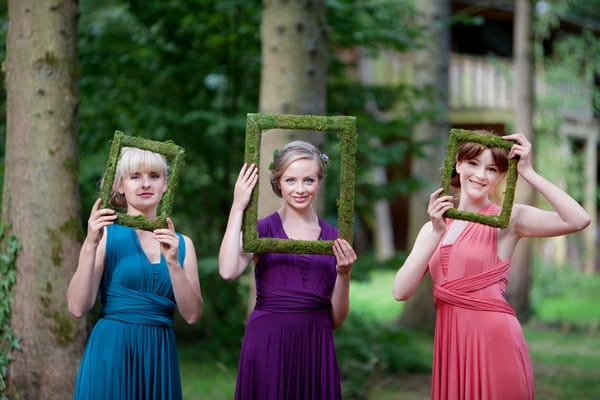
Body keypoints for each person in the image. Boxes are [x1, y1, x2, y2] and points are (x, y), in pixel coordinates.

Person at [393, 132, 591, 400]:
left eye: (492, 169)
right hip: (451, 343)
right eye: (473, 163)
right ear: (458, 164)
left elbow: (578, 220)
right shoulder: (433, 227)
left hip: (494, 338)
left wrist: (529, 172)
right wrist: (437, 233)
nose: (481, 175)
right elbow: (400, 291)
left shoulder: (508, 219)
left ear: (499, 176)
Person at [219, 140, 357, 400]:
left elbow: (336, 320)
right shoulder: (262, 230)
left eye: (309, 180)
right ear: (278, 182)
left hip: (315, 344)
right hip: (268, 342)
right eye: (291, 180)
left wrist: (344, 274)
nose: (300, 189)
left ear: (319, 181)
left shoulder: (334, 238)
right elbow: (228, 270)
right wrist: (238, 206)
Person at [67, 146, 203, 400]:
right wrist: (89, 245)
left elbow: (193, 314)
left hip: (158, 353)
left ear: (166, 185)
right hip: (113, 350)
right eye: (135, 176)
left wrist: (173, 263)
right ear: (120, 185)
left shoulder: (183, 244)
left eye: (154, 175)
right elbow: (76, 307)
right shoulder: (106, 235)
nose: (145, 184)